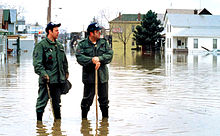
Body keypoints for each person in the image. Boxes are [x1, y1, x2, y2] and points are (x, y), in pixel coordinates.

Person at [75, 22, 113, 120]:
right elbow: (79, 57)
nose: (99, 33)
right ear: (91, 33)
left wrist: (99, 59)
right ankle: (84, 122)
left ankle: (105, 123)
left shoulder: (104, 43)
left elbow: (110, 55)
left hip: (102, 77)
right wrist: (92, 60)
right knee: (87, 101)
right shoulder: (82, 44)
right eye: (97, 31)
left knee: (104, 101)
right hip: (89, 77)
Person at [33, 22, 69, 122]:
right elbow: (37, 64)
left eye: (58, 30)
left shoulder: (59, 46)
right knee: (41, 103)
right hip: (47, 80)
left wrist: (66, 72)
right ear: (50, 31)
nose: (58, 32)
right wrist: (44, 74)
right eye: (56, 30)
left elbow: (64, 61)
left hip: (58, 81)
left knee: (57, 104)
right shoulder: (41, 46)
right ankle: (39, 124)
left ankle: (57, 126)